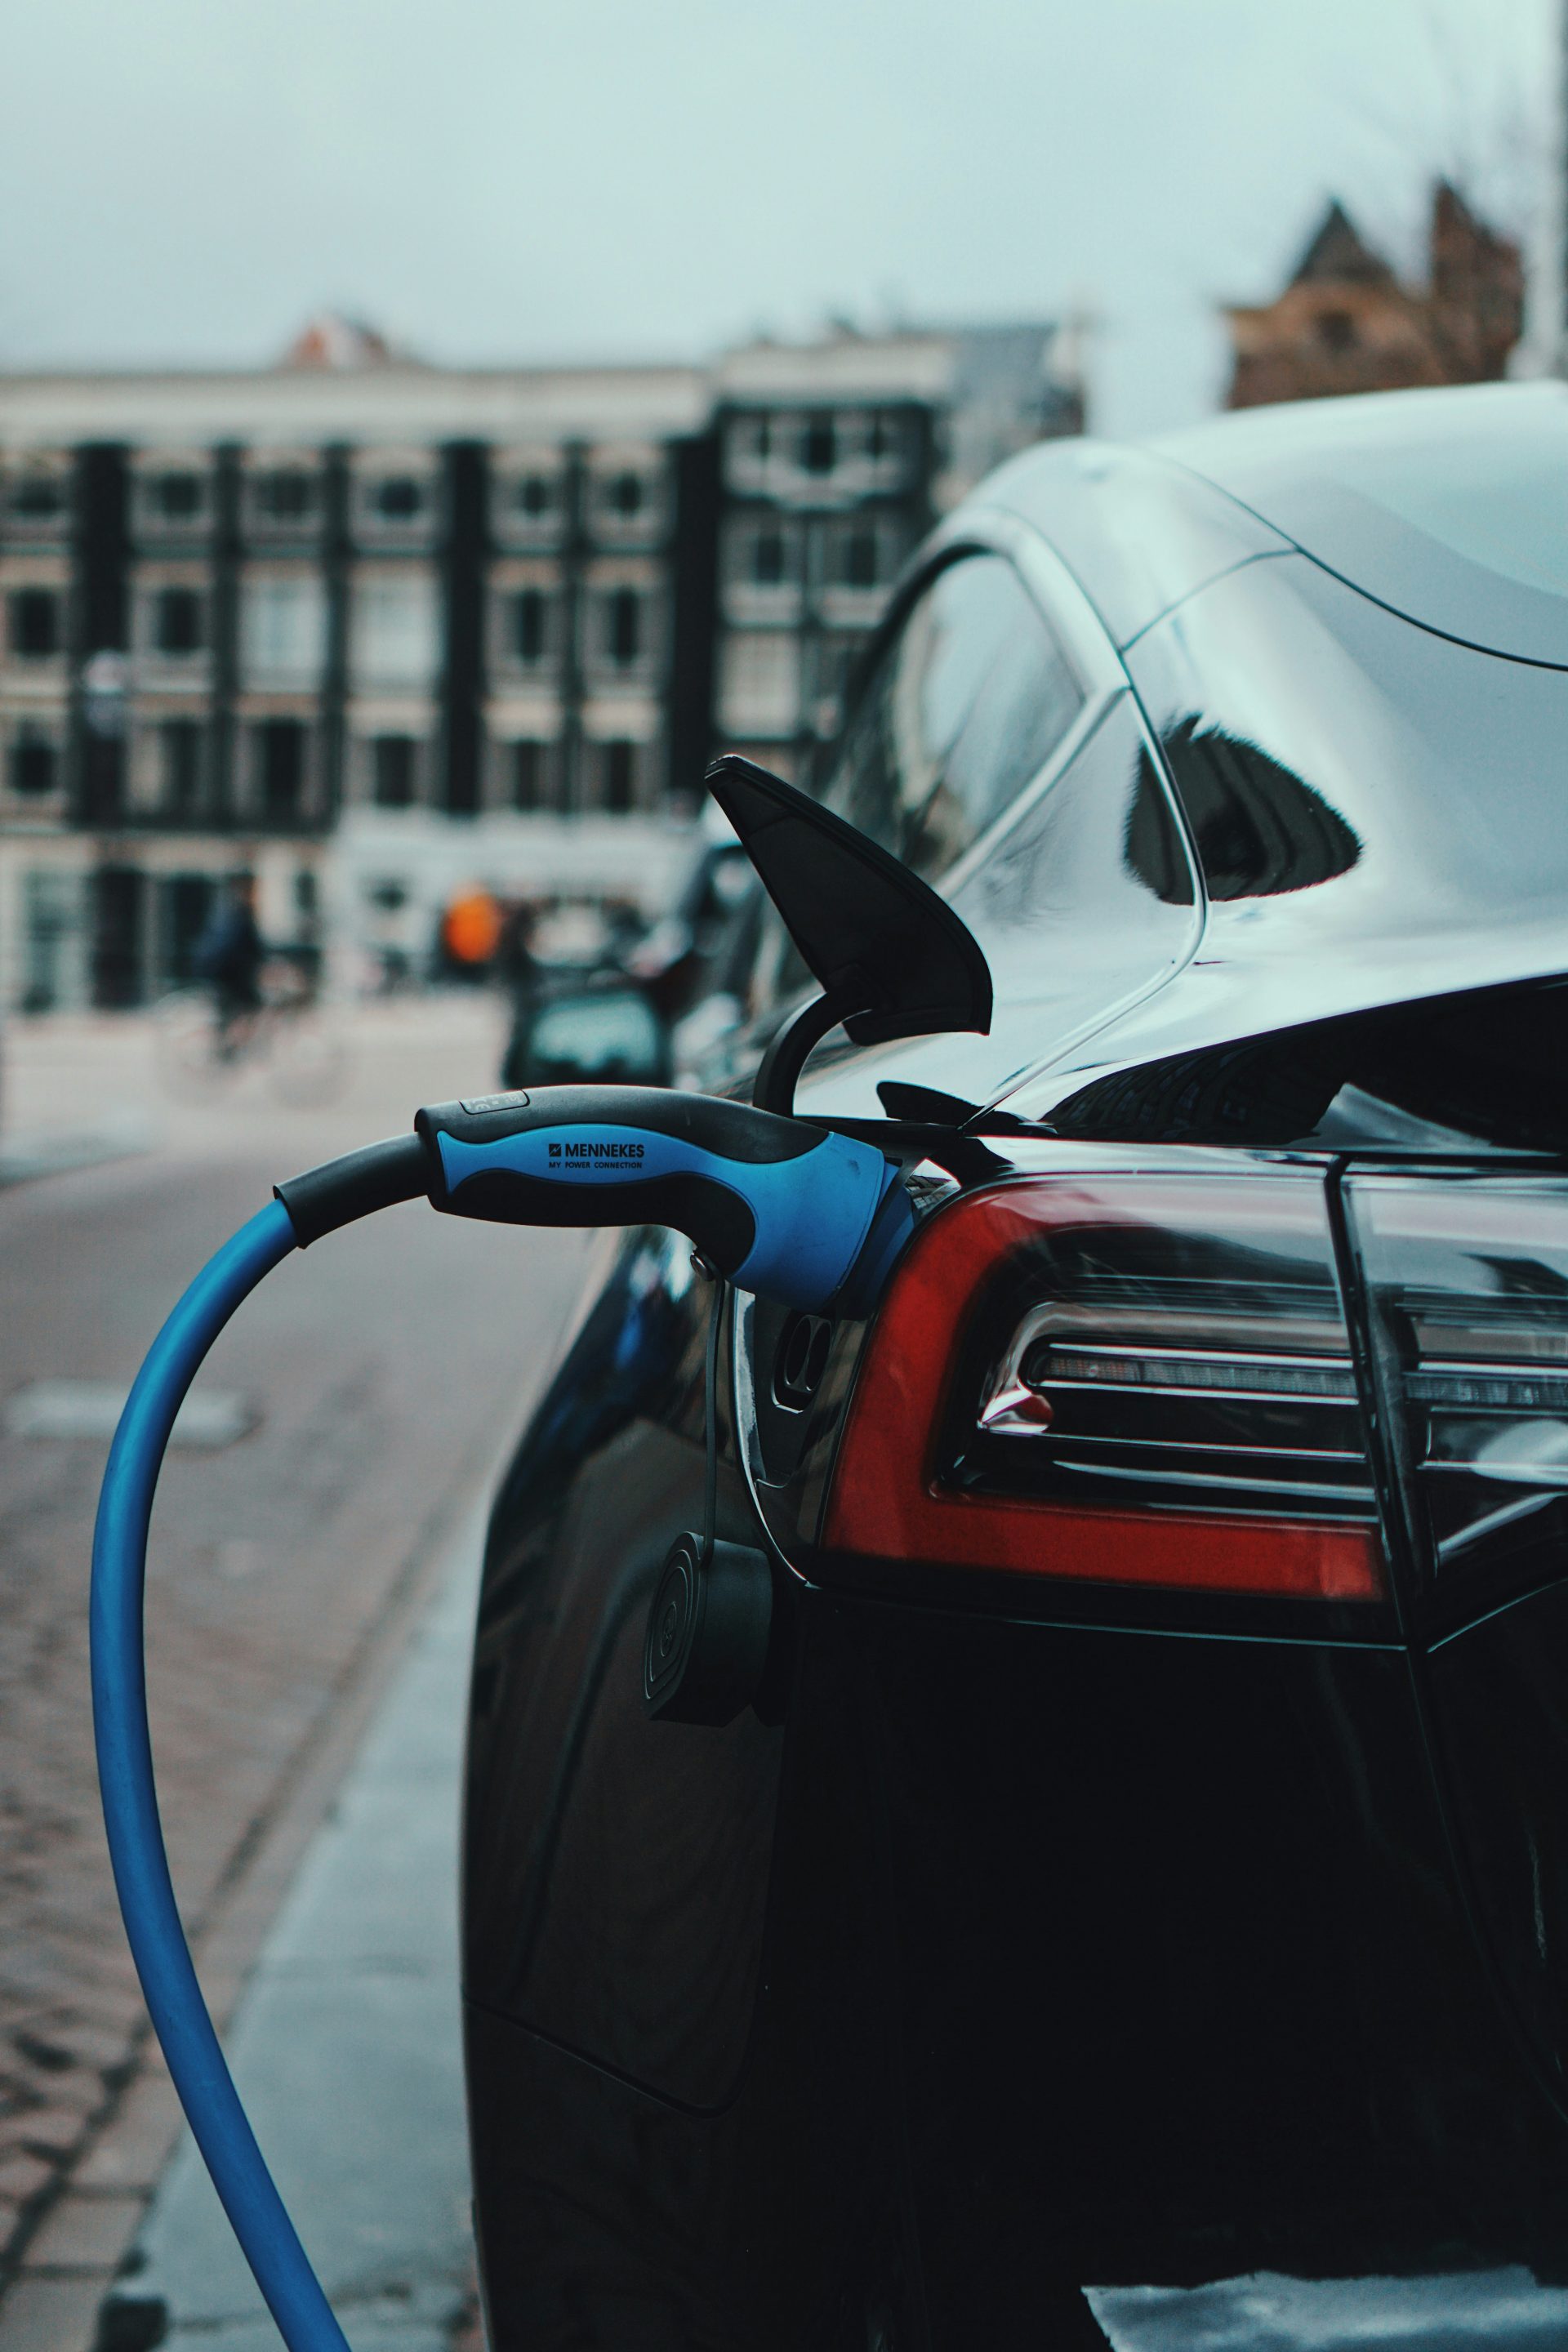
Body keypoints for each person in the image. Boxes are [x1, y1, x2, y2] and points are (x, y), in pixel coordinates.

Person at [193, 873, 266, 1054]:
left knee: (233, 1009)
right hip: (229, 974)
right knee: (253, 1004)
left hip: (222, 972)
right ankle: (231, 1046)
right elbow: (253, 947)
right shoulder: (242, 915)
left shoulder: (231, 912)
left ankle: (228, 1043)